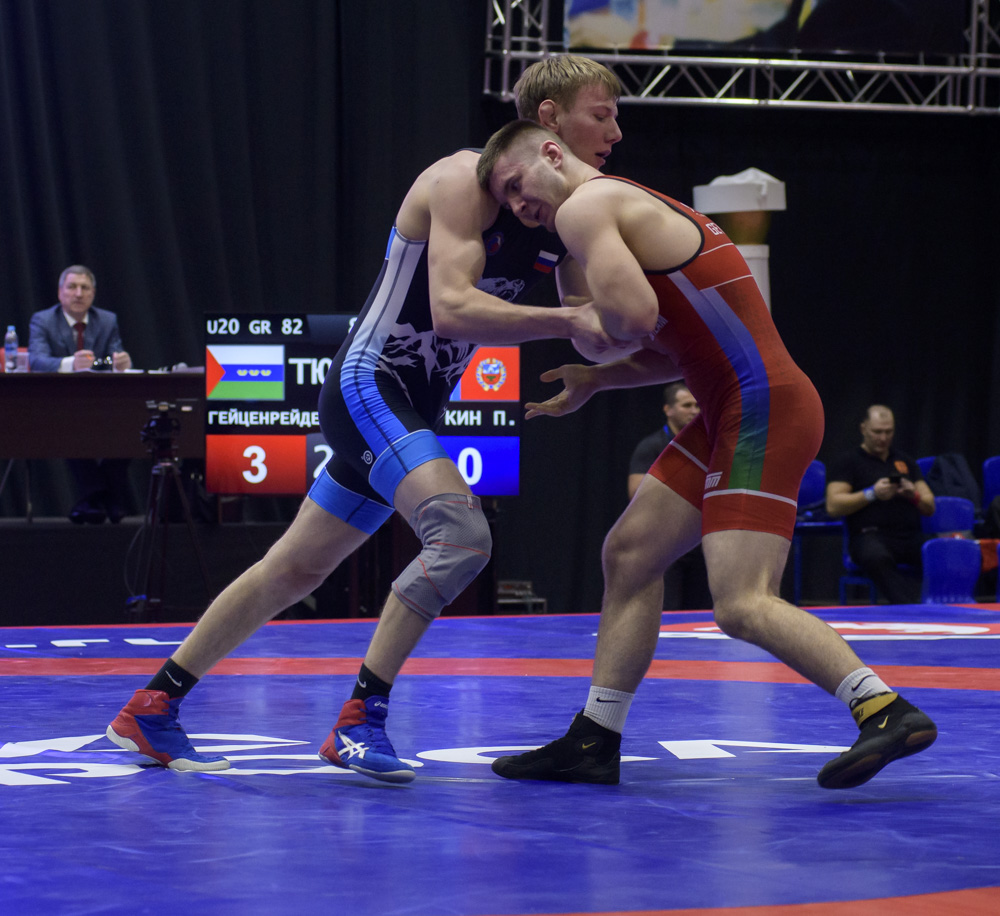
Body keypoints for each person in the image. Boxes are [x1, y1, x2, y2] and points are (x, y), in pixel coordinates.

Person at [105, 56, 626, 780]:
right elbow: (454, 309)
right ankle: (360, 719)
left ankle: (151, 707)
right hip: (369, 387)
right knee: (462, 537)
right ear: (549, 123)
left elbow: (595, 324)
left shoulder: (566, 220)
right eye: (601, 114)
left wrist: (611, 357)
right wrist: (575, 320)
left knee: (293, 568)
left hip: (412, 404)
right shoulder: (462, 181)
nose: (615, 132)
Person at [476, 120, 937, 790]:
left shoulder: (586, 208)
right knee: (630, 554)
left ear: (552, 152)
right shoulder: (622, 206)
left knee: (740, 602)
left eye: (518, 184)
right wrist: (598, 379)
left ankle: (884, 708)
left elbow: (627, 322)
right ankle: (595, 738)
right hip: (732, 405)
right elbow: (676, 350)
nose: (519, 205)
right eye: (506, 199)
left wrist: (570, 312)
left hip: (761, 407)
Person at [28, 265, 134, 524]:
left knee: (135, 423)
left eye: (84, 288)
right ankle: (106, 497)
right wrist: (69, 364)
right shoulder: (43, 320)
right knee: (69, 422)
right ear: (60, 293)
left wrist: (121, 363)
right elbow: (36, 360)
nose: (78, 293)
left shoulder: (106, 320)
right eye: (72, 287)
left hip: (100, 401)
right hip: (57, 403)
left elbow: (111, 357)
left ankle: (93, 500)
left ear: (93, 294)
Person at [825, 405, 935, 604]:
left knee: (940, 552)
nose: (883, 438)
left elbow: (929, 505)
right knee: (876, 557)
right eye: (877, 432)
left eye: (888, 432)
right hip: (869, 536)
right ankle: (909, 608)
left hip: (908, 536)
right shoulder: (848, 462)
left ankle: (949, 607)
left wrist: (913, 495)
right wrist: (872, 494)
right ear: (863, 429)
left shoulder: (905, 461)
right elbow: (833, 506)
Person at [627, 382, 711, 610]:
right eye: (687, 405)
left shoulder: (708, 446)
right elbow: (636, 494)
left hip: (700, 542)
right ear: (668, 409)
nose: (694, 411)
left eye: (697, 406)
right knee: (668, 610)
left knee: (700, 612)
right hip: (664, 544)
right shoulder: (651, 447)